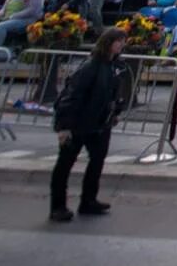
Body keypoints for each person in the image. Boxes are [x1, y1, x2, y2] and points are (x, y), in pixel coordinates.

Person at [50, 26, 128, 222]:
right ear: (108, 43)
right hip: (79, 122)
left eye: (122, 41)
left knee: (96, 162)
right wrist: (64, 126)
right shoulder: (91, 66)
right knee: (65, 164)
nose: (121, 45)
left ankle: (88, 200)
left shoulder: (114, 66)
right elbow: (71, 96)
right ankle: (58, 206)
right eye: (118, 41)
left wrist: (115, 112)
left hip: (100, 122)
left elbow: (112, 94)